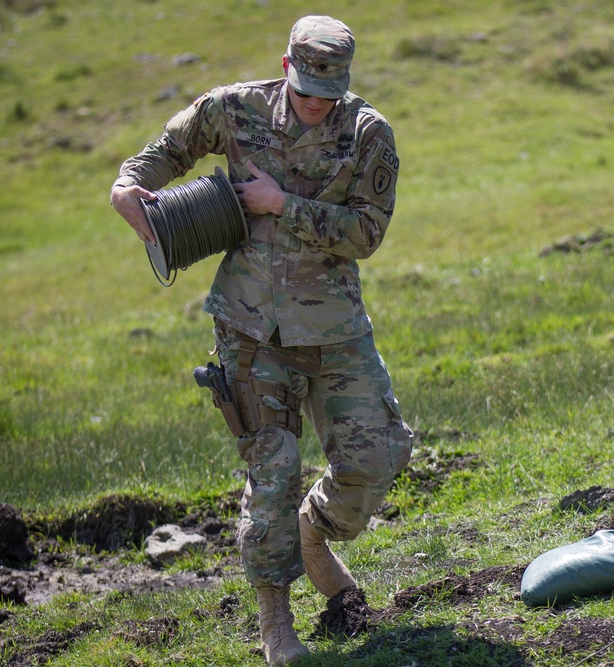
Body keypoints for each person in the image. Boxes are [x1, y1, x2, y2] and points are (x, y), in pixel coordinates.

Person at [110, 15, 413, 666]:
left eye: (328, 94)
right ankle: (276, 622)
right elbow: (168, 149)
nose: (315, 105)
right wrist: (130, 185)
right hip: (250, 328)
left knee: (378, 458)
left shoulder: (369, 136)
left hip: (333, 327)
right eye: (306, 91)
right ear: (285, 69)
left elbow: (367, 234)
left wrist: (282, 205)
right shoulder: (235, 109)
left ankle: (315, 530)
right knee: (272, 472)